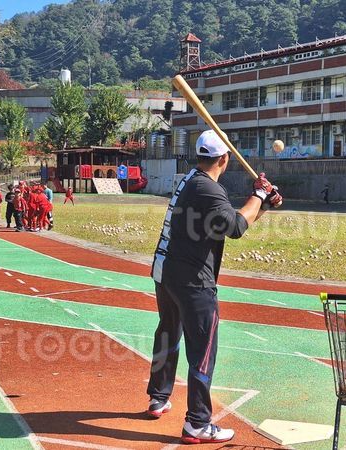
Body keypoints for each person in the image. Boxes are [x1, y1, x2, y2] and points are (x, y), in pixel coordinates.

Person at [146, 130, 282, 444]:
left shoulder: (190, 180)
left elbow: (230, 223)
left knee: (168, 331)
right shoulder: (208, 189)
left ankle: (159, 396)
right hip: (192, 280)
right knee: (203, 351)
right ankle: (197, 423)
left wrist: (262, 202)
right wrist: (259, 196)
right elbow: (234, 227)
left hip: (166, 272)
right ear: (224, 159)